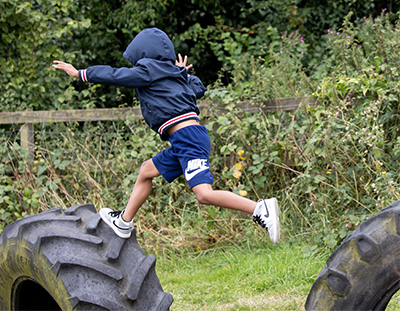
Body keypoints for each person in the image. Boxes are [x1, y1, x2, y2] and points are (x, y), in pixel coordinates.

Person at [53, 27, 280, 244]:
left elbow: (116, 75)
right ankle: (123, 222)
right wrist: (183, 73)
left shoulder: (148, 71)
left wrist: (81, 73)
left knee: (203, 194)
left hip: (188, 138)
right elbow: (198, 88)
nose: (134, 66)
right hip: (185, 138)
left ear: (143, 54)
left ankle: (259, 208)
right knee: (146, 171)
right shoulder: (175, 76)